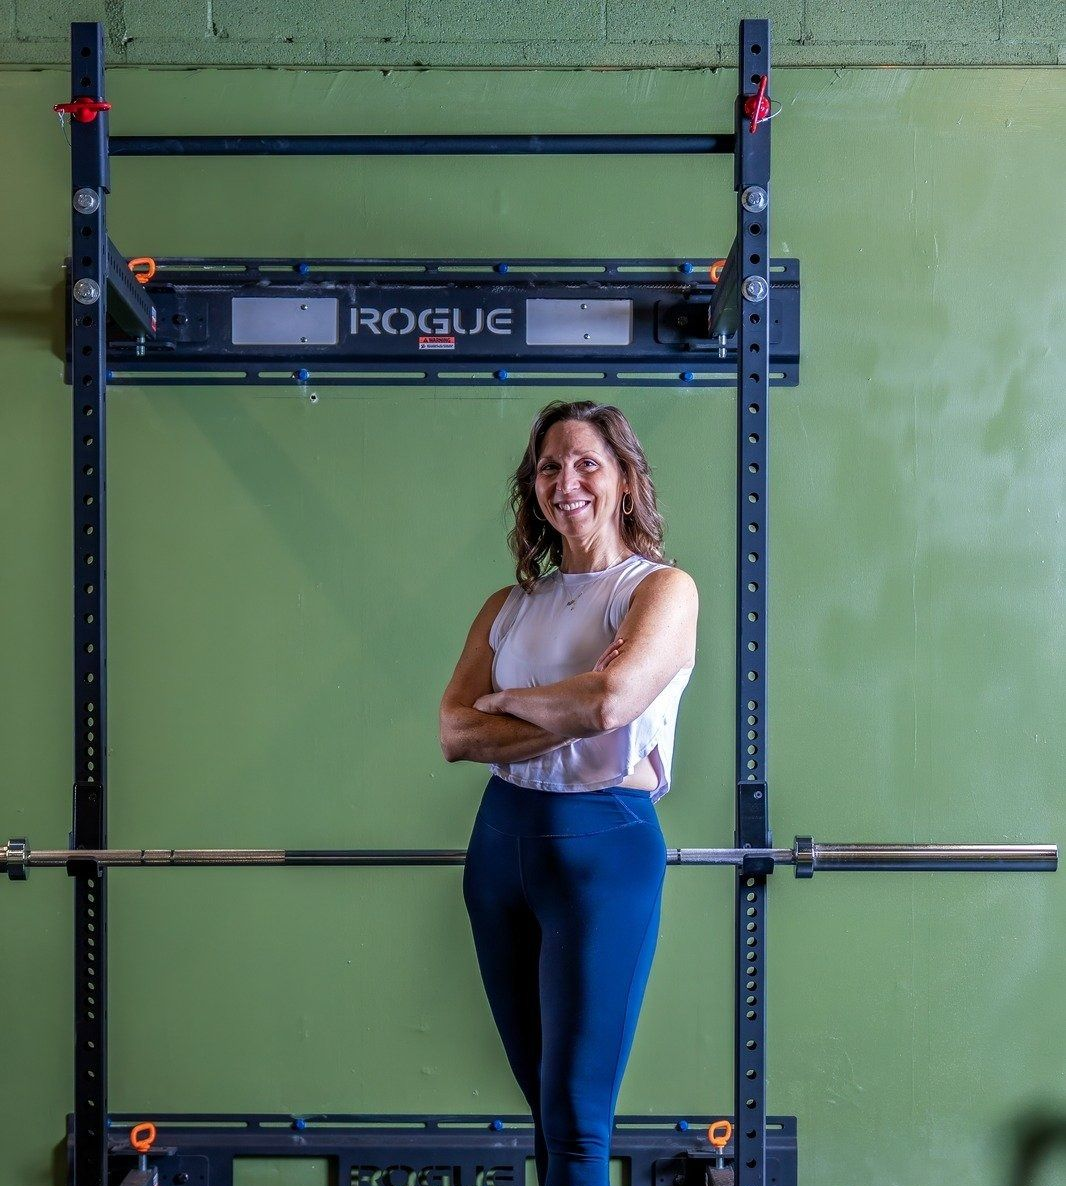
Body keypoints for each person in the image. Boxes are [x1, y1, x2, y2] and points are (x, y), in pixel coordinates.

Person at [439, 399, 698, 1186]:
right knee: (546, 1117)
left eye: (588, 462)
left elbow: (612, 704)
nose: (567, 480)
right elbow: (456, 733)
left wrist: (515, 702)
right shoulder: (508, 606)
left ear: (624, 481)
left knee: (581, 1125)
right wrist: (575, 700)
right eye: (550, 466)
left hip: (600, 850)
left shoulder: (660, 590)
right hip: (499, 849)